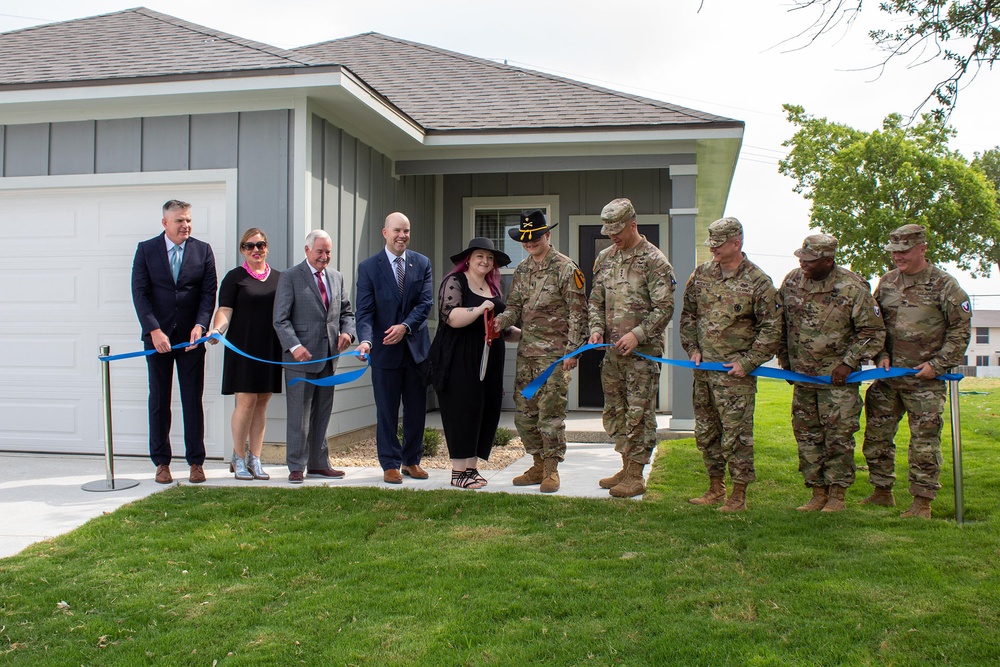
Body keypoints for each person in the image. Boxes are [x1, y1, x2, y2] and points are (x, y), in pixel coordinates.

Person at [861, 224, 972, 519]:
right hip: (888, 379)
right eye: (894, 251)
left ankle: (922, 502)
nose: (898, 256)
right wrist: (880, 354)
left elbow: (960, 331)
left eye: (904, 251)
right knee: (876, 438)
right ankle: (882, 491)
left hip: (925, 380)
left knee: (924, 443)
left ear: (922, 248)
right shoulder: (886, 282)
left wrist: (937, 365)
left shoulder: (945, 285)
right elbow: (875, 325)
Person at [680, 217, 781, 512]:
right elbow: (688, 315)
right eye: (710, 244)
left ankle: (738, 495)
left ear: (736, 243)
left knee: (737, 436)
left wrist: (748, 362)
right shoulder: (701, 275)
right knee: (707, 432)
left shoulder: (759, 282)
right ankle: (715, 488)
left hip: (736, 376)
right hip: (704, 372)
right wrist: (692, 348)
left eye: (718, 244)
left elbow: (772, 329)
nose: (712, 249)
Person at [777, 234, 885, 512]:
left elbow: (872, 332)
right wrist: (785, 361)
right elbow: (780, 323)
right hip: (803, 379)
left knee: (838, 437)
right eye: (801, 257)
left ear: (828, 260)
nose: (803, 263)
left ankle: (837, 495)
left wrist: (848, 363)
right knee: (807, 436)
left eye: (810, 260)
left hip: (837, 380)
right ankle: (817, 493)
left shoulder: (852, 286)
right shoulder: (791, 281)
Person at [493, 209, 588, 493]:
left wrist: (573, 353)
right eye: (525, 238)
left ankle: (551, 470)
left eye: (535, 237)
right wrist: (501, 320)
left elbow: (578, 314)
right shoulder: (523, 270)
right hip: (527, 355)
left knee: (550, 415)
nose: (530, 242)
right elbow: (515, 307)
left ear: (547, 235)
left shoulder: (565, 268)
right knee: (524, 416)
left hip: (555, 359)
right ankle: (536, 464)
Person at [587, 198, 675, 498]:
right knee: (616, 411)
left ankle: (636, 473)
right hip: (611, 355)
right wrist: (596, 329)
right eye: (609, 230)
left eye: (618, 230)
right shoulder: (605, 258)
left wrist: (637, 335)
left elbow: (665, 307)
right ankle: (626, 466)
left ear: (633, 224)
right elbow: (595, 300)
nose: (612, 235)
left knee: (639, 413)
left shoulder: (654, 260)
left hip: (642, 355)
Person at [131, 199, 217, 484]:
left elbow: (208, 292)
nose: (186, 225)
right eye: (180, 220)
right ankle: (162, 463)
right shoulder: (146, 250)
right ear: (165, 223)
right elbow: (140, 293)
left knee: (192, 400)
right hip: (158, 339)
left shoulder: (202, 251)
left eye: (189, 219)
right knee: (159, 400)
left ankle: (196, 462)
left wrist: (201, 325)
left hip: (191, 340)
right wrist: (154, 330)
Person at [355, 212, 435, 485]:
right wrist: (365, 340)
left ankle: (412, 461)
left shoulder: (421, 263)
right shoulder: (368, 267)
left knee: (415, 409)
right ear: (385, 233)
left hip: (416, 351)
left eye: (407, 231)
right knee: (387, 411)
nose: (403, 235)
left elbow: (425, 304)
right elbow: (364, 312)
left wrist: (405, 327)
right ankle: (390, 463)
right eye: (397, 230)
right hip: (384, 351)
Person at [427, 237, 513, 489]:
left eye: (489, 258)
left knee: (485, 409)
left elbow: (502, 327)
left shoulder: (493, 287)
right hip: (460, 358)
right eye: (480, 256)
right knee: (463, 409)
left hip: (491, 357)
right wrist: (478, 310)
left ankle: (472, 469)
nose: (485, 261)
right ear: (469, 259)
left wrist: (529, 332)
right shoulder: (455, 281)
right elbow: (451, 317)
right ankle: (458, 472)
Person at [272, 229, 356, 484]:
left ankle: (319, 464)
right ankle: (296, 466)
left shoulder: (336, 277)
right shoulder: (290, 277)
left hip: (329, 358)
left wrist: (347, 334)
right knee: (299, 416)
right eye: (319, 251)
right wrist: (295, 346)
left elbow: (347, 313)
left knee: (322, 413)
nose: (324, 256)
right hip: (301, 359)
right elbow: (280, 319)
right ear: (307, 250)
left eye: (328, 251)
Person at [208, 228, 282, 481]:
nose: (256, 250)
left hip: (269, 349)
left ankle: (255, 459)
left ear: (267, 247)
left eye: (260, 245)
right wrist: (217, 330)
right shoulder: (234, 278)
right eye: (250, 246)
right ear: (243, 250)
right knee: (246, 402)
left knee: (262, 403)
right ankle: (238, 457)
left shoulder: (280, 279)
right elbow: (225, 310)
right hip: (244, 348)